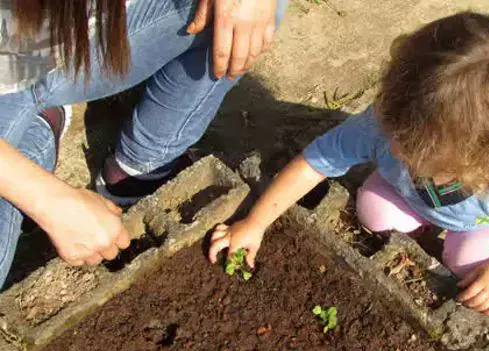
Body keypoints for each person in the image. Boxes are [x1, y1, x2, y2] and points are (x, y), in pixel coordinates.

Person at [209, 12, 489, 316]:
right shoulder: (387, 122)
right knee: (372, 211)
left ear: (482, 158)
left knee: (469, 262)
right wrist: (255, 222)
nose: (396, 152)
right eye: (397, 138)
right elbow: (314, 163)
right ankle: (419, 227)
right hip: (408, 198)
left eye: (418, 154)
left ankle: (465, 245)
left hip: (478, 225)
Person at [0, 0, 288, 288]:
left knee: (248, 15)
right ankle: (36, 130)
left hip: (72, 40)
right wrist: (46, 199)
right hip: (9, 68)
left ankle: (134, 173)